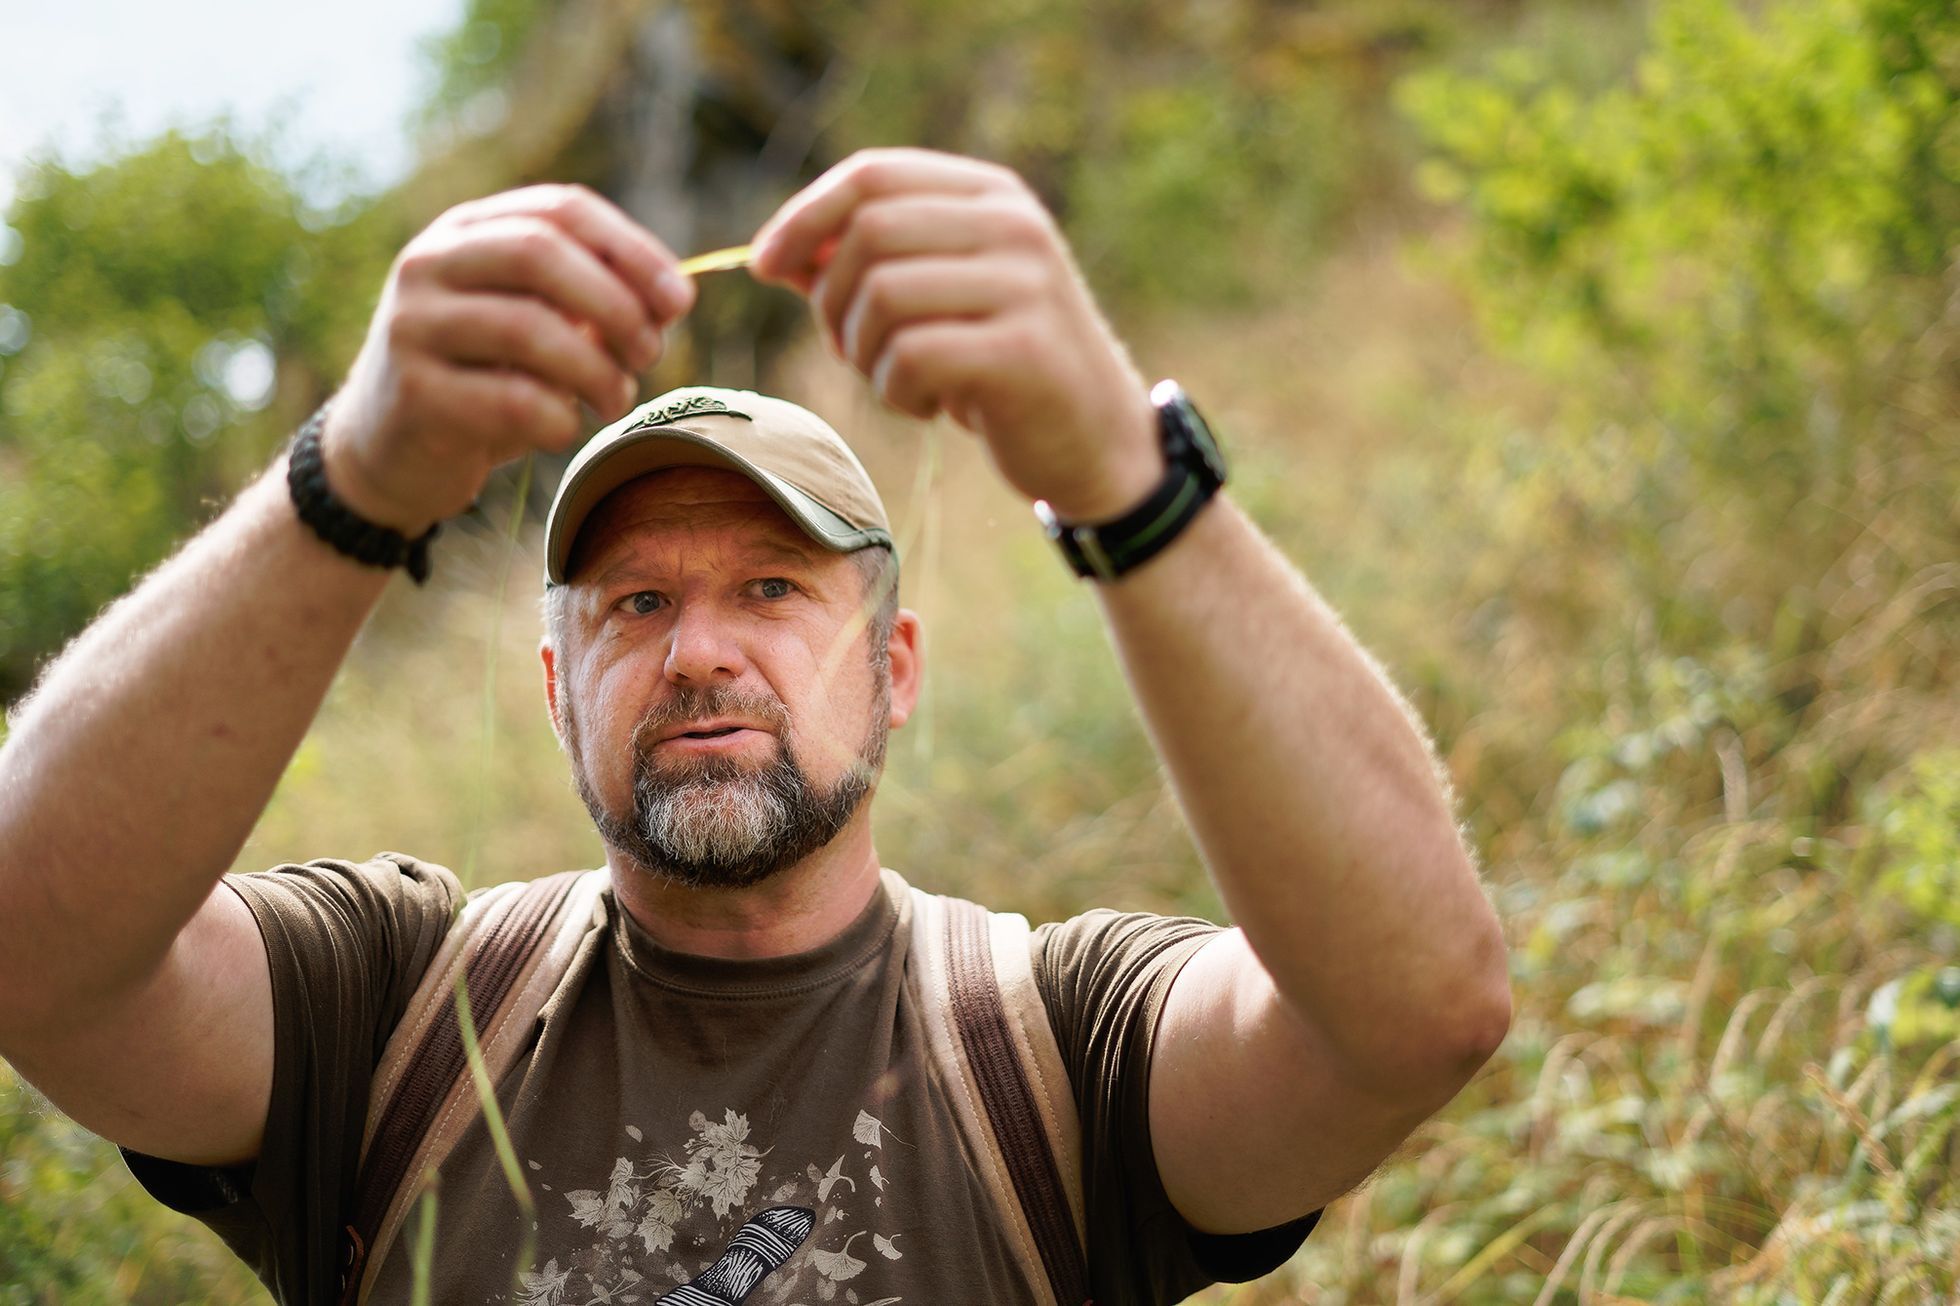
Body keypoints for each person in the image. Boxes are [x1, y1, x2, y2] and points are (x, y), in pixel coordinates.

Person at [0, 148, 1510, 1305]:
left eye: (773, 586)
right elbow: (28, 939)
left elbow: (1414, 1015)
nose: (700, 650)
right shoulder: (386, 1014)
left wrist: (1128, 474)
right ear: (553, 688)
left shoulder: (1060, 1049)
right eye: (633, 604)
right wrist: (358, 477)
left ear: (897, 665)